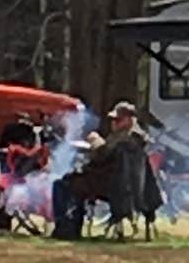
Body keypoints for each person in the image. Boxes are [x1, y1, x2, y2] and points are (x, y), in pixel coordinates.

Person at [55, 102, 159, 242]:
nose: (114, 123)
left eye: (118, 119)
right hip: (131, 187)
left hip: (110, 185)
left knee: (63, 185)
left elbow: (102, 158)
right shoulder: (137, 140)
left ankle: (68, 227)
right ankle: (68, 226)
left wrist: (95, 143)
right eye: (113, 120)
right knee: (71, 180)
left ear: (129, 119)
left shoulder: (125, 140)